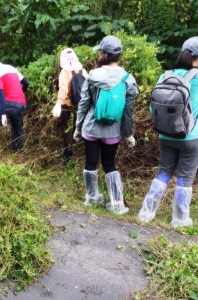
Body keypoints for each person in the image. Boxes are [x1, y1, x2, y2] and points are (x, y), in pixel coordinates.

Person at [138, 36, 198, 227]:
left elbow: (152, 109)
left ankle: (146, 213)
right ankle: (179, 219)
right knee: (185, 178)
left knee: (163, 172)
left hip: (166, 134)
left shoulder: (166, 76)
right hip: (192, 136)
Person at [73, 36, 139, 214]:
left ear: (104, 54)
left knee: (91, 162)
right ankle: (117, 204)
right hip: (113, 131)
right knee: (109, 163)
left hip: (91, 128)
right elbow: (128, 111)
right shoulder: (128, 79)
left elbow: (84, 103)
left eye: (100, 51)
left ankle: (92, 198)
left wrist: (78, 128)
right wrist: (128, 133)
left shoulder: (93, 75)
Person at [0, 56, 29, 157]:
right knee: (17, 127)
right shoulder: (11, 68)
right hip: (22, 103)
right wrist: (21, 94)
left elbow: (1, 95)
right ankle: (18, 153)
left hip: (9, 102)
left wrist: (3, 113)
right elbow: (26, 83)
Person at [51, 48, 88, 162]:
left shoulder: (65, 71)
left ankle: (68, 155)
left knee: (66, 129)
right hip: (81, 105)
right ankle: (81, 153)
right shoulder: (82, 70)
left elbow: (63, 89)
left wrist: (58, 103)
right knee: (78, 127)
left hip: (68, 106)